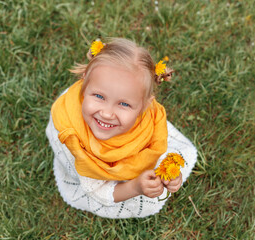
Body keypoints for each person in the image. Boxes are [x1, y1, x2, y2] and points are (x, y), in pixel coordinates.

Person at [46, 38, 197, 218]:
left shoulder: (151, 121)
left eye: (124, 104)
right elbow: (97, 191)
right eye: (99, 96)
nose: (107, 113)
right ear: (84, 81)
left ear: (146, 105)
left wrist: (169, 175)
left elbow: (155, 151)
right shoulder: (74, 141)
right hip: (82, 163)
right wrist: (134, 187)